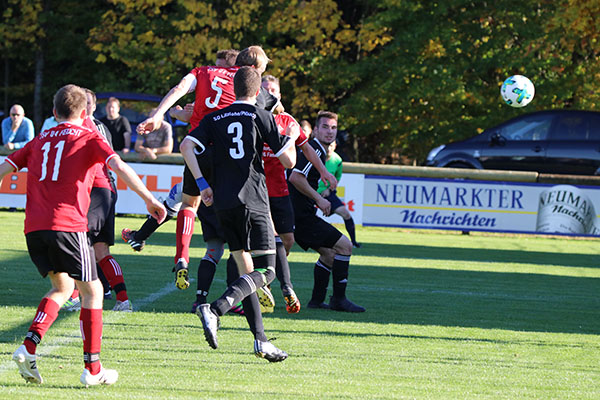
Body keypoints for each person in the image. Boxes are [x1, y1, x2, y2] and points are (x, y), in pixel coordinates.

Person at [0, 84, 165, 386]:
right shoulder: (90, 137)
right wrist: (149, 199)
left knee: (62, 288)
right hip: (68, 225)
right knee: (93, 292)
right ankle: (93, 369)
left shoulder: (38, 139)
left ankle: (28, 346)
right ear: (86, 111)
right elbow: (120, 166)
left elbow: (5, 168)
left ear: (54, 112)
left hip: (35, 228)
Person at [136, 46, 281, 293]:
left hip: (198, 150)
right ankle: (254, 284)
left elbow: (179, 90)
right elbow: (274, 110)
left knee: (188, 204)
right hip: (229, 160)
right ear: (255, 69)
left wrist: (161, 114)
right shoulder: (245, 84)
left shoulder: (202, 72)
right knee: (241, 235)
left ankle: (181, 257)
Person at [180, 66, 296, 361]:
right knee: (267, 271)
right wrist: (292, 136)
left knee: (245, 270)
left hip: (223, 202)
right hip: (253, 200)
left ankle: (261, 341)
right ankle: (216, 309)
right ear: (258, 92)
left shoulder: (214, 117)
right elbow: (288, 161)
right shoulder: (262, 115)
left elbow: (185, 145)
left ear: (233, 89)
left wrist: (203, 184)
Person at [261, 74, 338, 313]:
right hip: (257, 190)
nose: (269, 94)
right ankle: (270, 286)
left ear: (280, 95)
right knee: (260, 241)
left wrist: (323, 171)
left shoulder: (287, 121)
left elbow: (304, 145)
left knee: (287, 240)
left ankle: (266, 281)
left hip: (280, 191)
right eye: (264, 89)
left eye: (273, 90)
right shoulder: (253, 119)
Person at [287, 110, 365, 312]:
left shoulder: (318, 150)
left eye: (333, 128)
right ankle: (339, 300)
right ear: (314, 130)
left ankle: (316, 301)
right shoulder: (314, 148)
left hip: (300, 214)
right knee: (345, 246)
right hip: (300, 216)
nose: (330, 132)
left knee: (330, 254)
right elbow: (295, 178)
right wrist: (319, 198)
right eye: (325, 127)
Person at [318, 140, 361, 248]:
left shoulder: (337, 160)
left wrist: (329, 190)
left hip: (327, 194)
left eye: (331, 146)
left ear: (335, 146)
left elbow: (336, 178)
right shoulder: (316, 155)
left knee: (346, 214)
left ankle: (354, 242)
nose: (329, 148)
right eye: (327, 145)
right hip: (311, 192)